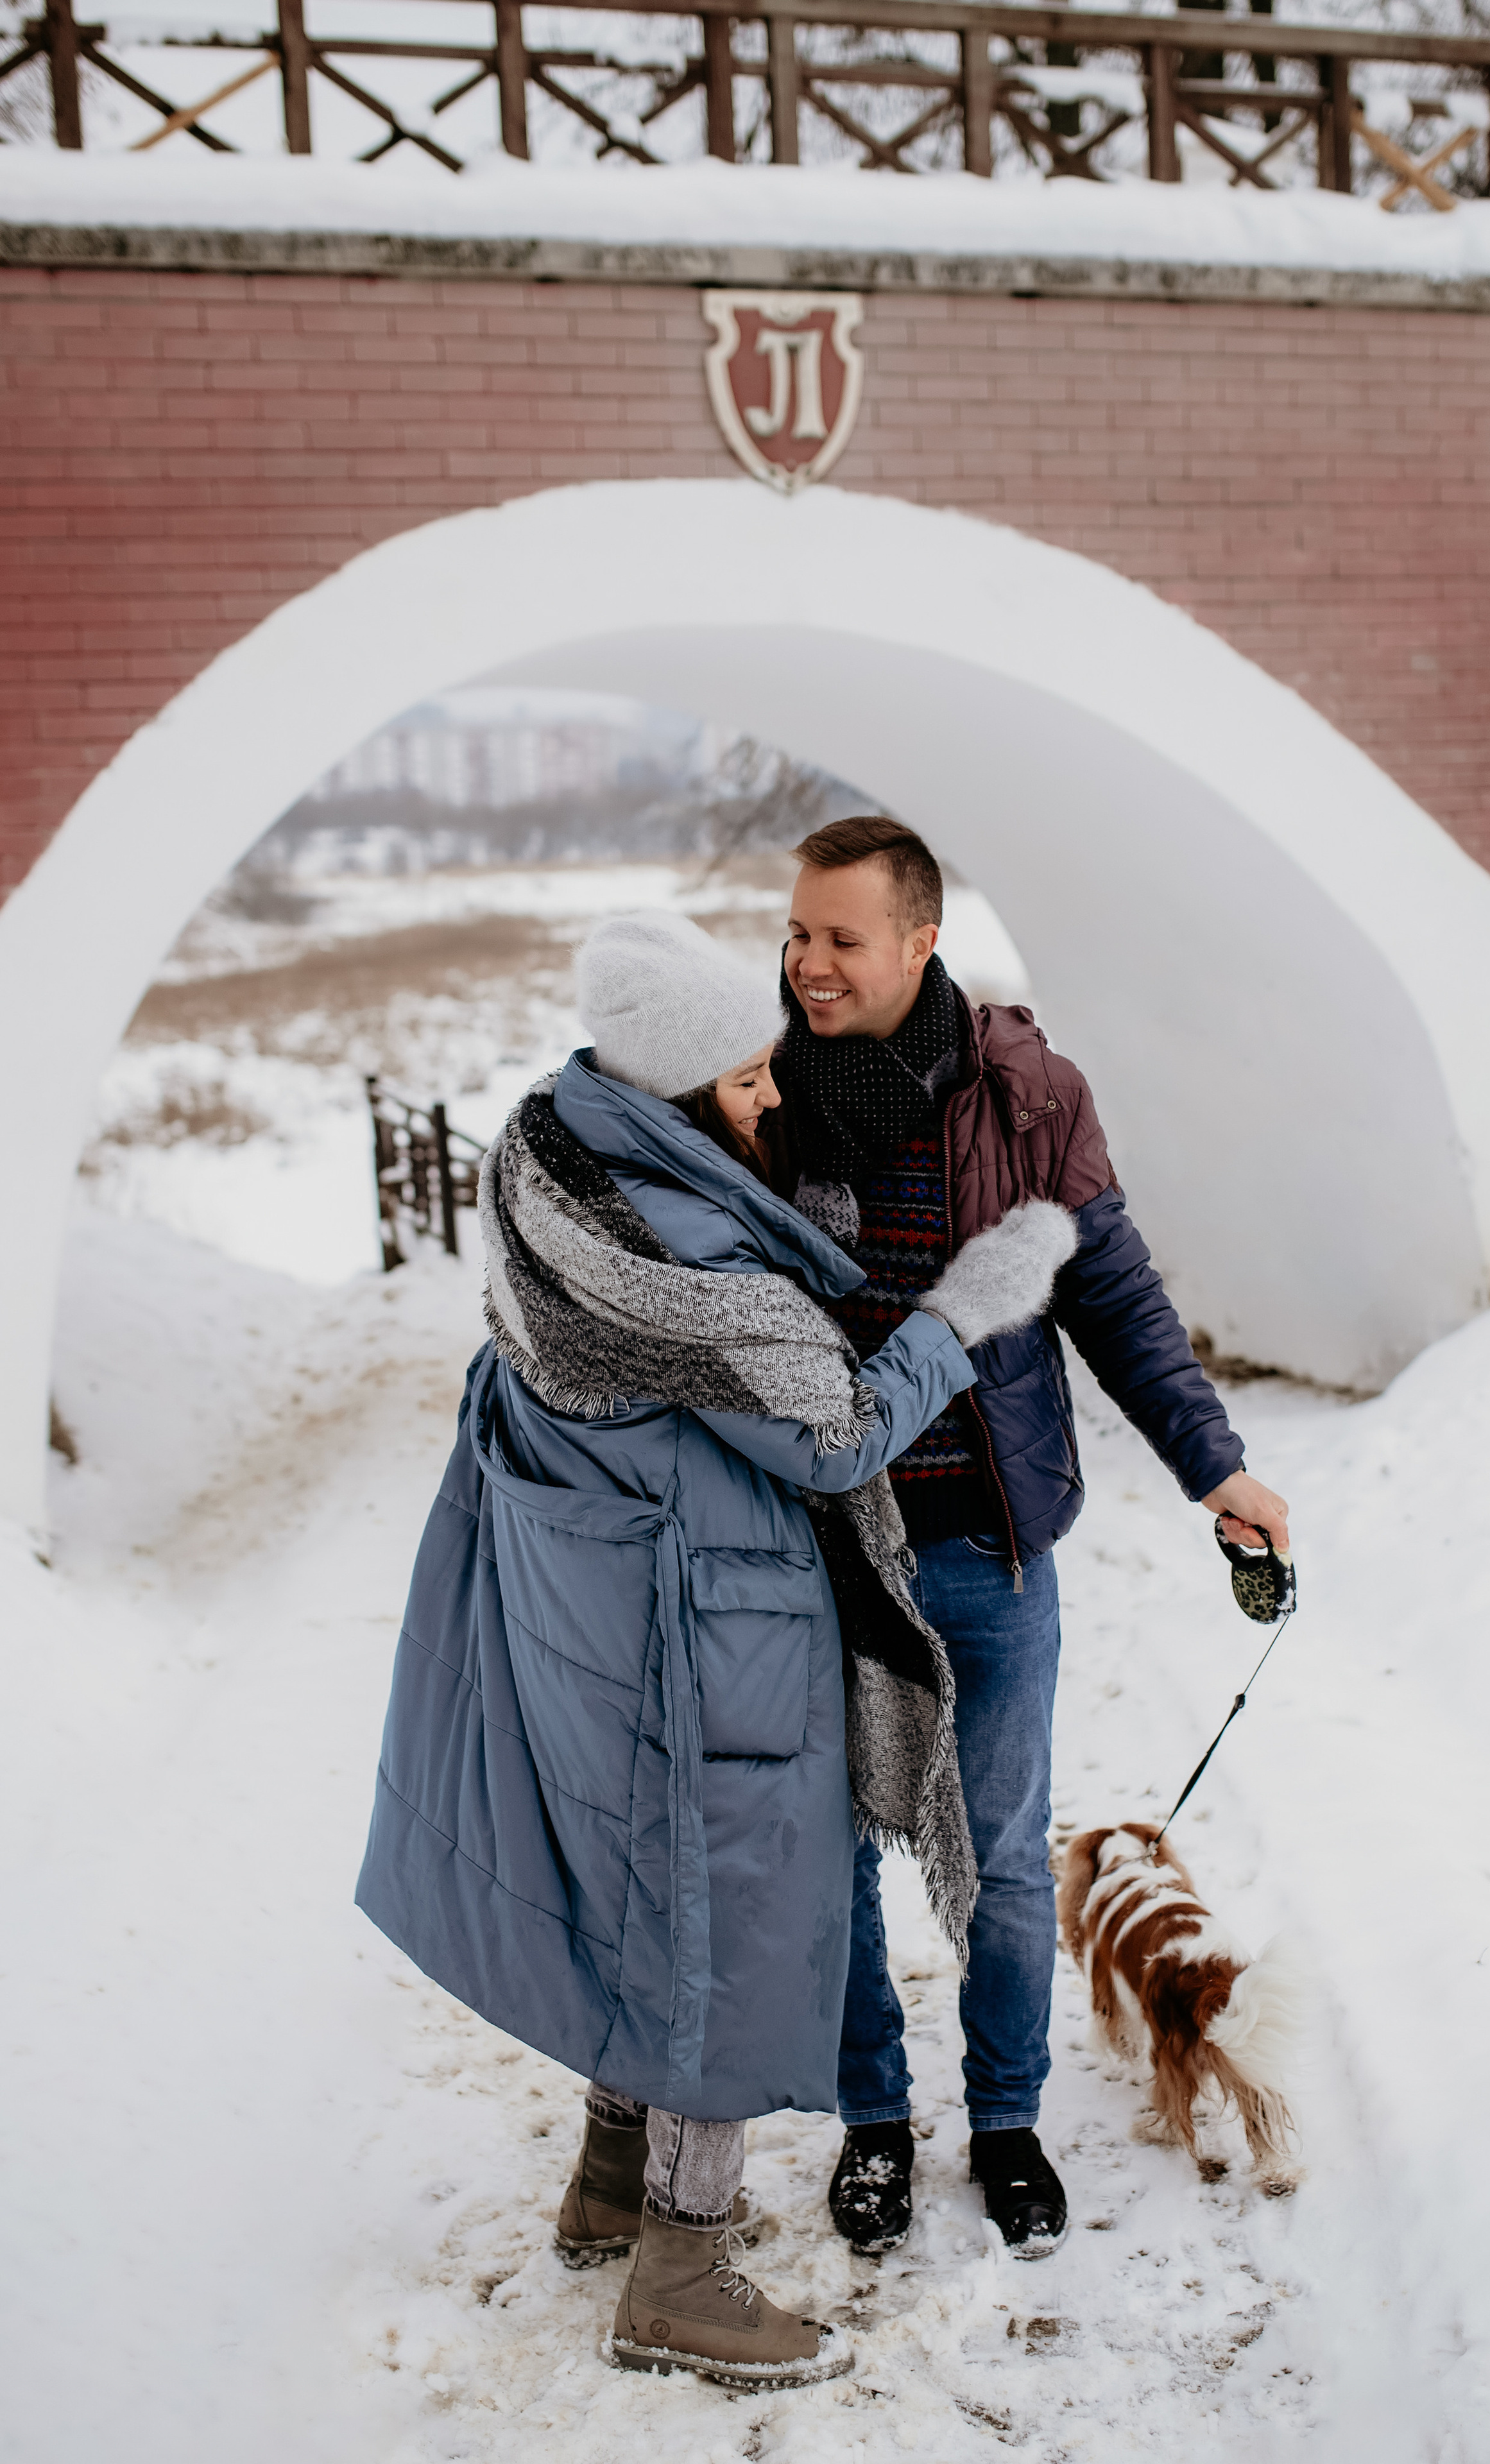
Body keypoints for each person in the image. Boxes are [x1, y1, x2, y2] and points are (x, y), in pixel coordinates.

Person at [355, 911, 1076, 2388]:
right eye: (747, 1078)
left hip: (593, 1607)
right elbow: (837, 1432)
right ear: (676, 1096)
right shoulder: (690, 1268)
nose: (773, 1093)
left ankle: (608, 2182)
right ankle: (681, 2270)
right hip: (702, 1625)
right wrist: (962, 1311)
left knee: (644, 1895)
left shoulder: (545, 1166)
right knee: (722, 1916)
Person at [765, 817, 1291, 2262]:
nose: (807, 965)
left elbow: (1111, 1296)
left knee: (999, 1862)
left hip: (986, 1555)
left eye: (839, 939)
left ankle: (1004, 2123)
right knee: (834, 1860)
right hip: (813, 1554)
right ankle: (874, 2119)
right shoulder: (753, 1099)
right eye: (795, 935)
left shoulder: (1029, 1097)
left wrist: (1214, 1467)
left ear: (920, 940)